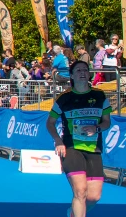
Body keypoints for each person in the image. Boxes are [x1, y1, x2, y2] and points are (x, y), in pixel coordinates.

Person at [45, 61, 112, 217]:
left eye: (85, 70)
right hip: (71, 148)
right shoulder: (64, 98)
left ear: (89, 74)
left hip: (94, 149)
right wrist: (58, 141)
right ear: (72, 75)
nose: (82, 73)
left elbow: (107, 122)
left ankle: (72, 213)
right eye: (78, 70)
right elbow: (50, 123)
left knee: (94, 197)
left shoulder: (99, 95)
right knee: (80, 191)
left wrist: (96, 128)